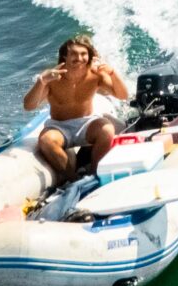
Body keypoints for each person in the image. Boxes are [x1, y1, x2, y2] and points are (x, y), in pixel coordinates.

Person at [22, 34, 131, 185]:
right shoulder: (53, 79)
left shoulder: (95, 75)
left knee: (107, 129)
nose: (79, 58)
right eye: (73, 54)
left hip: (87, 123)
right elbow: (28, 106)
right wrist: (41, 81)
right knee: (46, 140)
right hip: (59, 127)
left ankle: (95, 175)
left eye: (83, 54)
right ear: (64, 57)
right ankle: (74, 179)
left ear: (90, 56)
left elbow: (123, 95)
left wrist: (112, 73)